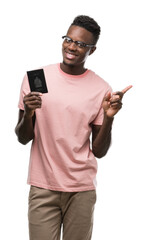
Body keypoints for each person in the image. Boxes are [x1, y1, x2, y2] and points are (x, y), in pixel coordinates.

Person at [15, 15, 132, 240]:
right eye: (68, 39)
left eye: (80, 44)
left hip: (81, 189)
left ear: (92, 50)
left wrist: (109, 118)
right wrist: (29, 113)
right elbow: (22, 137)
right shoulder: (37, 78)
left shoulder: (101, 88)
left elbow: (99, 151)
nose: (72, 46)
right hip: (43, 187)